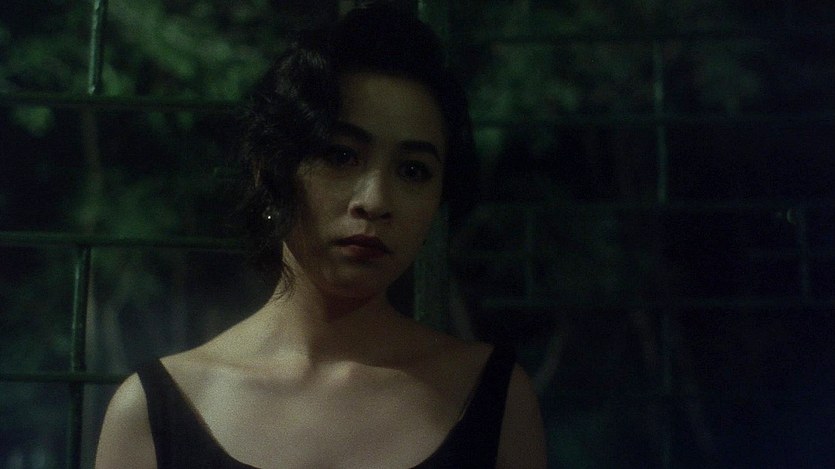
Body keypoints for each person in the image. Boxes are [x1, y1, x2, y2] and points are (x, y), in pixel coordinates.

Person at [95, 3, 546, 468]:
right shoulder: (155, 413)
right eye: (341, 156)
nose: (375, 200)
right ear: (271, 166)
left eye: (413, 170)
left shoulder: (493, 400)